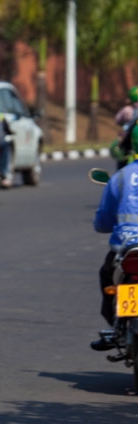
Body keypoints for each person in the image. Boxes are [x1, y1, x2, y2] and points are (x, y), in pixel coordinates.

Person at [91, 124, 138, 351]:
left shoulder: (120, 177)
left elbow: (102, 221)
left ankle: (116, 327)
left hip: (125, 248)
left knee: (107, 276)